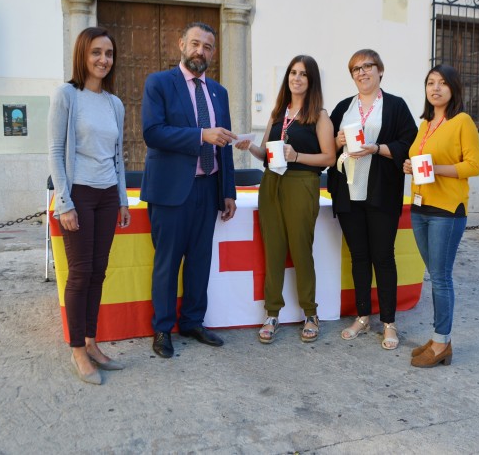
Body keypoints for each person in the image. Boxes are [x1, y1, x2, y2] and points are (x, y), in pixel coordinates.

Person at [141, 22, 238, 359]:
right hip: (171, 191)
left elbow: (223, 143)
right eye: (195, 44)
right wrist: (201, 135)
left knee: (200, 260)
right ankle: (163, 329)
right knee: (167, 263)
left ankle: (193, 321)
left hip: (207, 189)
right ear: (182, 44)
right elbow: (153, 132)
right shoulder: (159, 83)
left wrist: (228, 191)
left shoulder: (219, 92)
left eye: (208, 47)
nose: (201, 51)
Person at [48, 27, 131, 385]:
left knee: (98, 272)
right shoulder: (67, 95)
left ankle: (92, 342)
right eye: (96, 52)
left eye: (109, 53)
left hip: (107, 194)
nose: (103, 59)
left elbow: (118, 158)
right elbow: (54, 150)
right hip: (78, 195)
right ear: (83, 55)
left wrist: (123, 199)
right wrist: (64, 202)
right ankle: (77, 349)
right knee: (80, 273)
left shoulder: (115, 104)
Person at [235, 55, 335, 344]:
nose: (297, 78)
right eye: (293, 72)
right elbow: (267, 153)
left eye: (303, 74)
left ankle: (311, 313)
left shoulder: (320, 115)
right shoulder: (279, 111)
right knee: (274, 249)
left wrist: (297, 156)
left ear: (311, 80)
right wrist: (250, 146)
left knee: (301, 250)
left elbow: (328, 157)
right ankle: (272, 312)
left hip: (302, 184)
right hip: (271, 183)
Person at [327, 49, 417, 350]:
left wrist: (377, 148)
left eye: (368, 66)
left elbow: (409, 144)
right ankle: (363, 316)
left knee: (383, 256)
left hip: (381, 193)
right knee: (359, 257)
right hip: (349, 194)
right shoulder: (343, 108)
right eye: (355, 69)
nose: (362, 72)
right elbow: (328, 148)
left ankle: (389, 322)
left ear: (380, 71)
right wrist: (337, 141)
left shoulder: (395, 106)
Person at [403, 64, 479, 367]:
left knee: (440, 277)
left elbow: (473, 166)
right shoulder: (425, 123)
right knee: (433, 275)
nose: (435, 88)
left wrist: (437, 169)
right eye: (430, 83)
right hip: (420, 206)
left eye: (442, 83)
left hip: (447, 211)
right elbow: (417, 159)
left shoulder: (462, 121)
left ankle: (442, 342)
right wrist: (409, 166)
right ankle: (438, 337)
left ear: (454, 88)